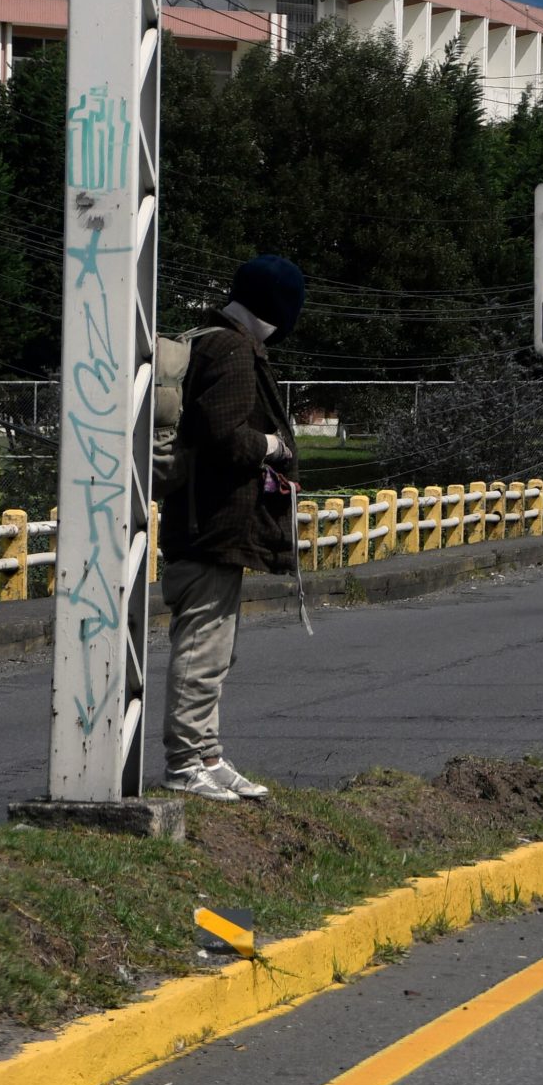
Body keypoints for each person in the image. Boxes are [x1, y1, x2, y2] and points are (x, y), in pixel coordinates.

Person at [159, 255, 304, 803]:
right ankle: (184, 765)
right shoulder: (234, 350)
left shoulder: (212, 341)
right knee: (202, 652)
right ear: (279, 307)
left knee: (215, 652)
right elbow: (222, 436)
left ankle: (209, 757)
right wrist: (273, 445)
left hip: (205, 524)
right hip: (212, 528)